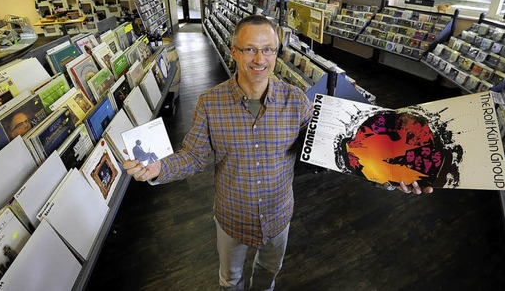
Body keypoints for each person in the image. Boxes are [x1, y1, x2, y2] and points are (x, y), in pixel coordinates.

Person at [124, 15, 431, 290]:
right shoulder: (210, 102)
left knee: (269, 271)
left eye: (268, 49)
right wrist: (157, 169)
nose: (260, 59)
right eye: (249, 49)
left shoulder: (296, 100)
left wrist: (390, 174)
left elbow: (333, 150)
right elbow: (194, 156)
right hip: (232, 216)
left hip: (278, 216)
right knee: (230, 279)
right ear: (234, 52)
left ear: (276, 53)